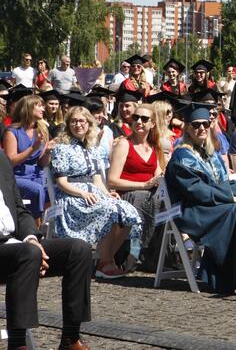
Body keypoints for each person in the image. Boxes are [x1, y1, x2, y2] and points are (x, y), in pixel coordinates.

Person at [165, 104, 236, 295]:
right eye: (196, 125)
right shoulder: (182, 156)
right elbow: (196, 191)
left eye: (206, 124)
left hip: (213, 205)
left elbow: (225, 182)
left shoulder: (210, 154)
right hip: (193, 210)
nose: (202, 128)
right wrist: (231, 198)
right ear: (187, 128)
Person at [0, 151, 93, 350]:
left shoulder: (1, 158)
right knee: (28, 254)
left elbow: (20, 209)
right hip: (9, 251)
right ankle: (17, 344)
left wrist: (32, 238)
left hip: (15, 243)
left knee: (78, 249)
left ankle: (70, 337)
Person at [51, 107, 142, 279]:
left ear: (88, 124)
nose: (78, 125)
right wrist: (82, 194)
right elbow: (62, 183)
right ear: (68, 124)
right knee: (109, 211)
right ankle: (106, 263)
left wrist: (108, 194)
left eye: (82, 121)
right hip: (72, 196)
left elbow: (97, 180)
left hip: (94, 195)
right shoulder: (61, 148)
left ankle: (103, 259)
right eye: (74, 121)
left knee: (127, 211)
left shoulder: (91, 148)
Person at [108, 103, 164, 270]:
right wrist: (143, 185)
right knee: (142, 198)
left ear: (152, 123)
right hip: (126, 194)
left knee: (164, 202)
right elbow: (112, 180)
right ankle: (132, 252)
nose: (139, 121)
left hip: (148, 195)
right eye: (136, 117)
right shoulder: (124, 144)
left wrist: (158, 181)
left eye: (144, 118)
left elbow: (158, 174)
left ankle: (158, 255)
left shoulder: (154, 146)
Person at [3, 95, 53, 221]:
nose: (43, 108)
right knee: (36, 190)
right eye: (39, 106)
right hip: (16, 176)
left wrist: (47, 151)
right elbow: (11, 161)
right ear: (28, 108)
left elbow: (42, 163)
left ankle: (49, 225)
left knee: (55, 190)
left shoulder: (41, 130)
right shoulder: (12, 132)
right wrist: (33, 149)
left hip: (37, 174)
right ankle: (35, 226)